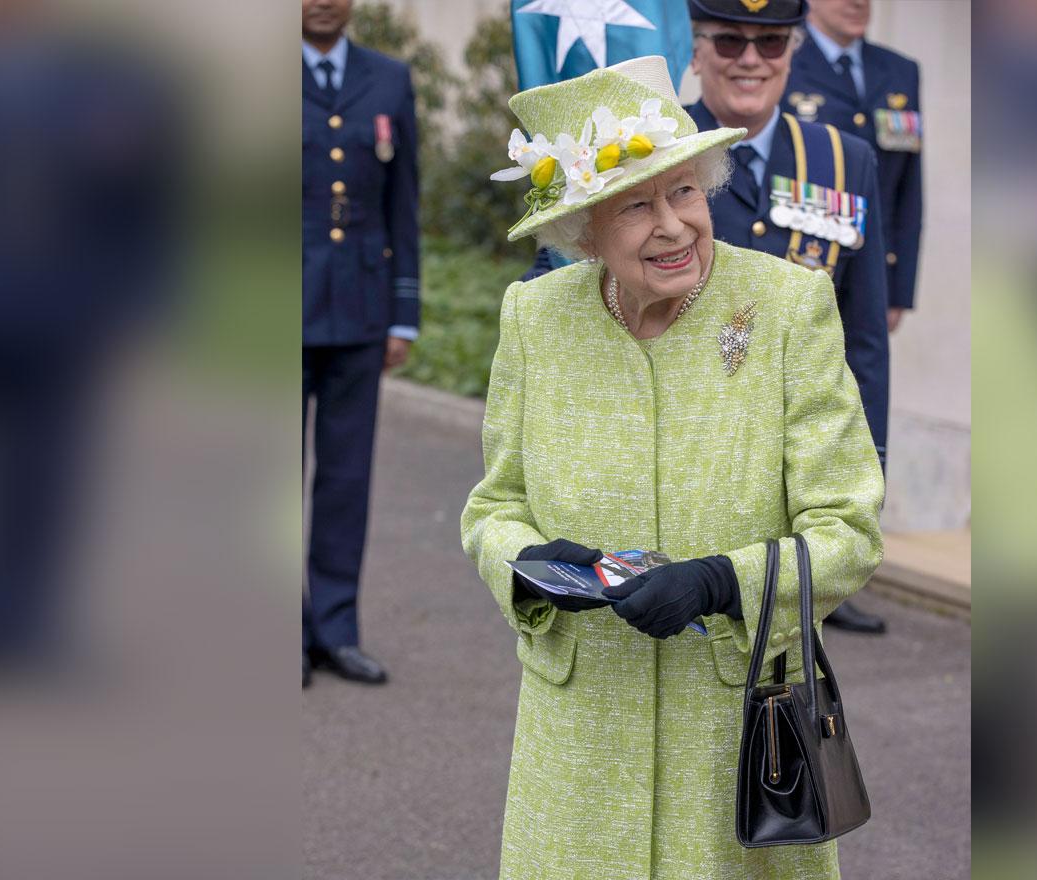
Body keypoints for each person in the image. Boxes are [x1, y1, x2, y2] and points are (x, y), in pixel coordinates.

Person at [460, 56, 884, 879]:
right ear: (583, 232)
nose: (674, 226)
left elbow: (850, 532)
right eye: (637, 206)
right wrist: (529, 565)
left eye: (685, 191)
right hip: (580, 735)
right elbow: (494, 506)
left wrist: (723, 583)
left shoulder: (789, 308)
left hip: (736, 731)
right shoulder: (536, 317)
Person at [685, 0, 889, 634]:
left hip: (796, 456)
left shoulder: (841, 158)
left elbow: (863, 331)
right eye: (729, 41)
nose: (751, 59)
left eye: (771, 43)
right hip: (688, 445)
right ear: (696, 50)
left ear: (793, 52)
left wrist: (868, 461)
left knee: (783, 674)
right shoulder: (656, 146)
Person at [302, 0, 420, 687]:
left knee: (346, 480)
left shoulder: (389, 78)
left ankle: (336, 629)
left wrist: (402, 314)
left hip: (359, 310)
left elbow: (403, 200)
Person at [787, 0, 923, 333]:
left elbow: (908, 186)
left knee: (865, 377)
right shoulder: (783, 60)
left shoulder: (900, 70)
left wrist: (898, 289)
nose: (858, 2)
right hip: (803, 266)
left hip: (875, 269)